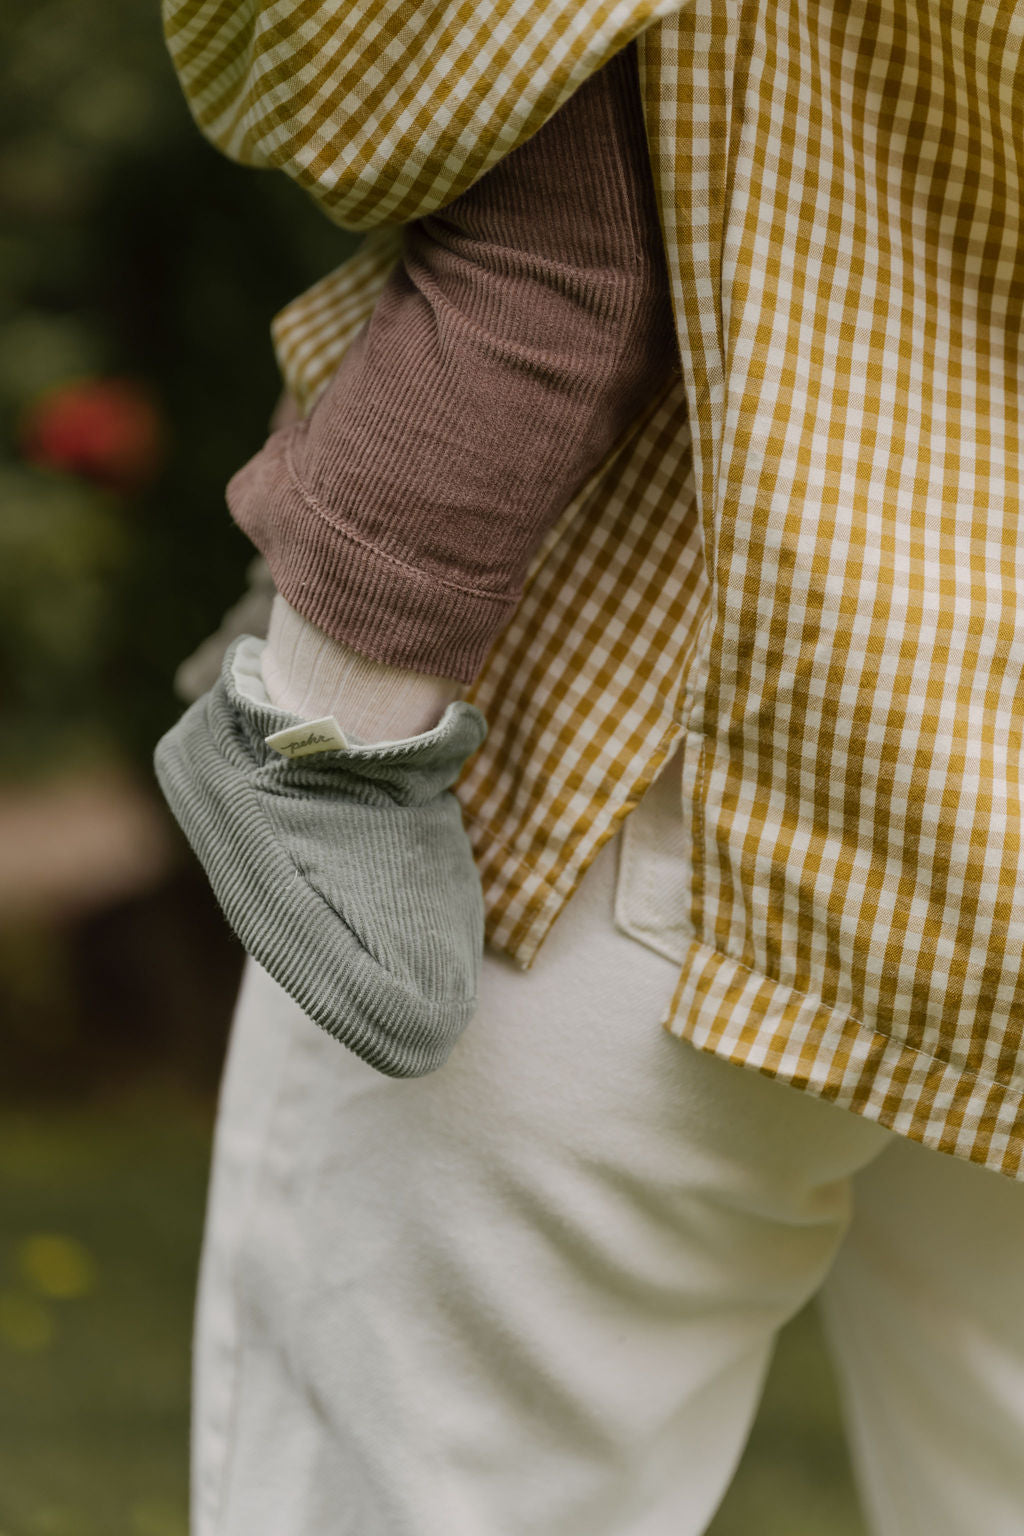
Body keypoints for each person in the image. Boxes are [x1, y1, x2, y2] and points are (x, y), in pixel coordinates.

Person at [159, 4, 1024, 1533]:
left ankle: (319, 688)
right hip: (824, 697)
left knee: (547, 268)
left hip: (656, 713)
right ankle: (325, 669)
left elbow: (389, 82)